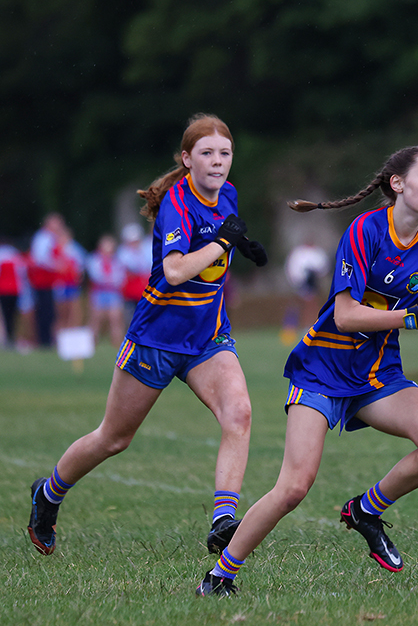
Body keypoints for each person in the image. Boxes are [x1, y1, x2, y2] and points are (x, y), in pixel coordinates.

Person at [195, 144, 418, 596]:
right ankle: (220, 576)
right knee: (293, 487)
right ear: (397, 184)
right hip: (322, 370)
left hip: (378, 374)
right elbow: (346, 316)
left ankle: (365, 511)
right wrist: (413, 319)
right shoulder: (365, 230)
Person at [26, 113, 269, 557]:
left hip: (208, 336)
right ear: (187, 158)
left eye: (225, 154)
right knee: (114, 438)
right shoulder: (178, 202)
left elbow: (221, 236)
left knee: (240, 414)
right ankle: (49, 493)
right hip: (156, 338)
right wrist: (221, 242)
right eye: (207, 153)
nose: (218, 162)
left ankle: (223, 522)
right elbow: (176, 271)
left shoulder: (228, 195)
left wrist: (239, 244)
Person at [26, 212, 66, 348]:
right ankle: (43, 341)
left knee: (49, 312)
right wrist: (56, 265)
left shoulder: (51, 238)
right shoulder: (43, 237)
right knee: (44, 312)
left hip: (49, 282)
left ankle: (47, 339)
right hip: (41, 281)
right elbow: (40, 259)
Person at [280, 238, 329, 344]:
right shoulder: (298, 253)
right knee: (297, 305)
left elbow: (323, 268)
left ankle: (309, 328)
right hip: (300, 283)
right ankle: (291, 329)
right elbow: (292, 268)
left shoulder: (318, 253)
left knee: (312, 305)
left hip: (313, 282)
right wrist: (297, 281)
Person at [85, 234, 127, 347]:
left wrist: (108, 280)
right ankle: (91, 344)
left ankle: (117, 344)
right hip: (99, 292)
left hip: (113, 292)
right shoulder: (94, 259)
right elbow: (96, 276)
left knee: (115, 319)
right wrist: (109, 280)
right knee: (95, 318)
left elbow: (120, 277)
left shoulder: (116, 261)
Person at [116, 222, 153, 327]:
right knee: (131, 315)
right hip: (129, 291)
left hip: (144, 288)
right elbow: (133, 268)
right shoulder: (123, 252)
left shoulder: (146, 248)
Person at [0, 237, 28, 349]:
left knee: (5, 316)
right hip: (15, 289)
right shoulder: (15, 254)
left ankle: (7, 338)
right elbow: (22, 272)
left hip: (3, 289)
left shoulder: (2, 254)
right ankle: (11, 337)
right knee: (13, 315)